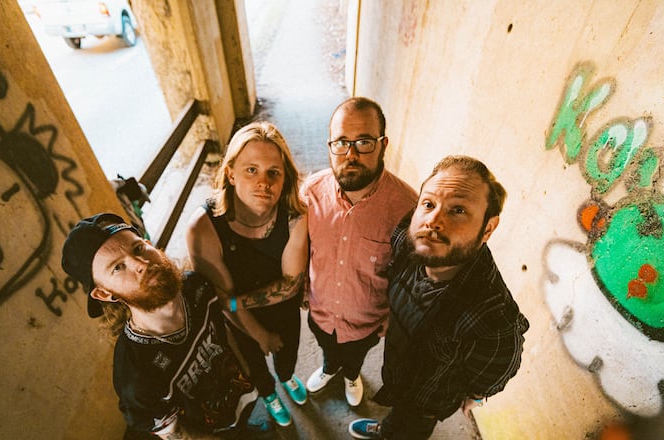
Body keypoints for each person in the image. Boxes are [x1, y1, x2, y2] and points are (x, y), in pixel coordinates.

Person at [348, 156, 530, 439]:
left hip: (427, 401)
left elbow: (494, 370)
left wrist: (477, 396)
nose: (433, 220)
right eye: (429, 204)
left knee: (407, 428)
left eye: (458, 210)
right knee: (397, 413)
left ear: (488, 228)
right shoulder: (409, 239)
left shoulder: (492, 318)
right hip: (398, 366)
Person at [60, 213, 273, 440]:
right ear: (104, 293)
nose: (141, 265)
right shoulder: (135, 373)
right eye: (118, 267)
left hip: (242, 399)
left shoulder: (197, 287)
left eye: (138, 249)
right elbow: (174, 433)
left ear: (149, 245)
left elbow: (223, 333)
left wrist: (249, 375)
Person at [186, 121, 308, 428]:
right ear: (230, 173)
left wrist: (237, 304)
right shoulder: (204, 227)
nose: (263, 182)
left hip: (280, 311)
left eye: (273, 172)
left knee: (286, 355)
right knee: (253, 367)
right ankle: (269, 394)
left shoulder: (295, 217)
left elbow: (291, 285)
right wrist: (257, 333)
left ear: (284, 179)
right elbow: (220, 297)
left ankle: (287, 377)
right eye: (251, 169)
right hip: (236, 324)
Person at [301, 97, 418, 406]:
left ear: (383, 144)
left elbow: (410, 274)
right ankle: (329, 368)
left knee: (355, 357)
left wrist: (394, 315)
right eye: (341, 142)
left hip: (367, 323)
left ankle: (352, 374)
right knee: (328, 347)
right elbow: (301, 250)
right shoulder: (309, 194)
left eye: (364, 141)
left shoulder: (407, 208)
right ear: (330, 146)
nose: (350, 154)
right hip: (321, 312)